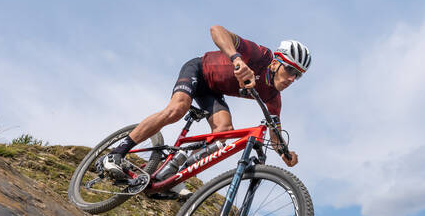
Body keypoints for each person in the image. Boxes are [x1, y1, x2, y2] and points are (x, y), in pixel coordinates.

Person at [102, 25, 311, 179]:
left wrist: (285, 154)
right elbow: (216, 30)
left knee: (223, 133)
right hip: (199, 71)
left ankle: (170, 174)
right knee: (177, 109)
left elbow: (275, 133)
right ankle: (116, 154)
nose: (292, 79)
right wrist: (237, 59)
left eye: (298, 76)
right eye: (290, 70)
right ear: (276, 62)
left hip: (212, 91)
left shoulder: (273, 97)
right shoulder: (260, 56)